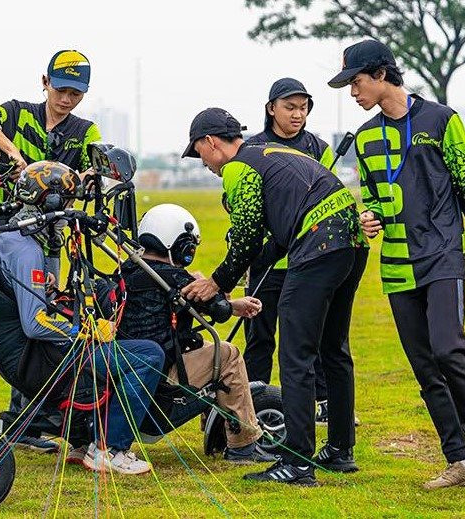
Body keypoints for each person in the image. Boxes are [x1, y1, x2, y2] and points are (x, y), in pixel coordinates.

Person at [328, 39, 465, 489]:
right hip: (396, 264)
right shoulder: (365, 137)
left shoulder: (442, 120)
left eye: (356, 82)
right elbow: (371, 194)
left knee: (449, 348)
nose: (352, 92)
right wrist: (367, 215)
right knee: (424, 366)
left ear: (382, 74)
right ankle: (458, 462)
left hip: (443, 254)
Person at [180, 108, 368, 485]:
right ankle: (339, 450)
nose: (204, 164)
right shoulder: (274, 154)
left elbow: (248, 236)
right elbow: (276, 241)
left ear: (210, 143)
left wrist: (216, 282)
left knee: (296, 355)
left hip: (318, 243)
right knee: (333, 350)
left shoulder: (238, 167)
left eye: (199, 154)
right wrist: (237, 280)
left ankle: (297, 463)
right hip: (351, 242)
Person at [0, 160, 165, 475]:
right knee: (148, 355)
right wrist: (89, 331)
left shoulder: (11, 236)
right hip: (41, 358)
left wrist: (54, 243)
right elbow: (35, 323)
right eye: (69, 203)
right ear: (53, 203)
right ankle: (109, 449)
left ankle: (81, 441)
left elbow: (45, 289)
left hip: (27, 353)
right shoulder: (25, 250)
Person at [0, 49, 101, 453]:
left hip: (49, 243)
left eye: (77, 93)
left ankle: (24, 424)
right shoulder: (18, 113)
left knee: (34, 329)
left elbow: (95, 167)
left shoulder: (85, 130)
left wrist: (86, 177)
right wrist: (14, 154)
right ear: (45, 82)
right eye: (62, 89)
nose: (67, 99)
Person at [89, 204, 275, 465]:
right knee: (228, 354)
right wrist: (216, 292)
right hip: (164, 374)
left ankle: (222, 429)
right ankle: (243, 446)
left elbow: (197, 305)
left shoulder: (129, 271)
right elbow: (216, 308)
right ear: (179, 244)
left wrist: (233, 307)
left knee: (208, 347)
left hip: (130, 363)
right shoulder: (175, 278)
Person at [243, 78, 344, 426]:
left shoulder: (319, 147)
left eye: (303, 107)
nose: (297, 114)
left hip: (310, 258)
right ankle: (252, 403)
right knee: (259, 336)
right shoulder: (252, 147)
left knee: (310, 335)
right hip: (265, 258)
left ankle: (323, 402)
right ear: (271, 108)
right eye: (290, 107)